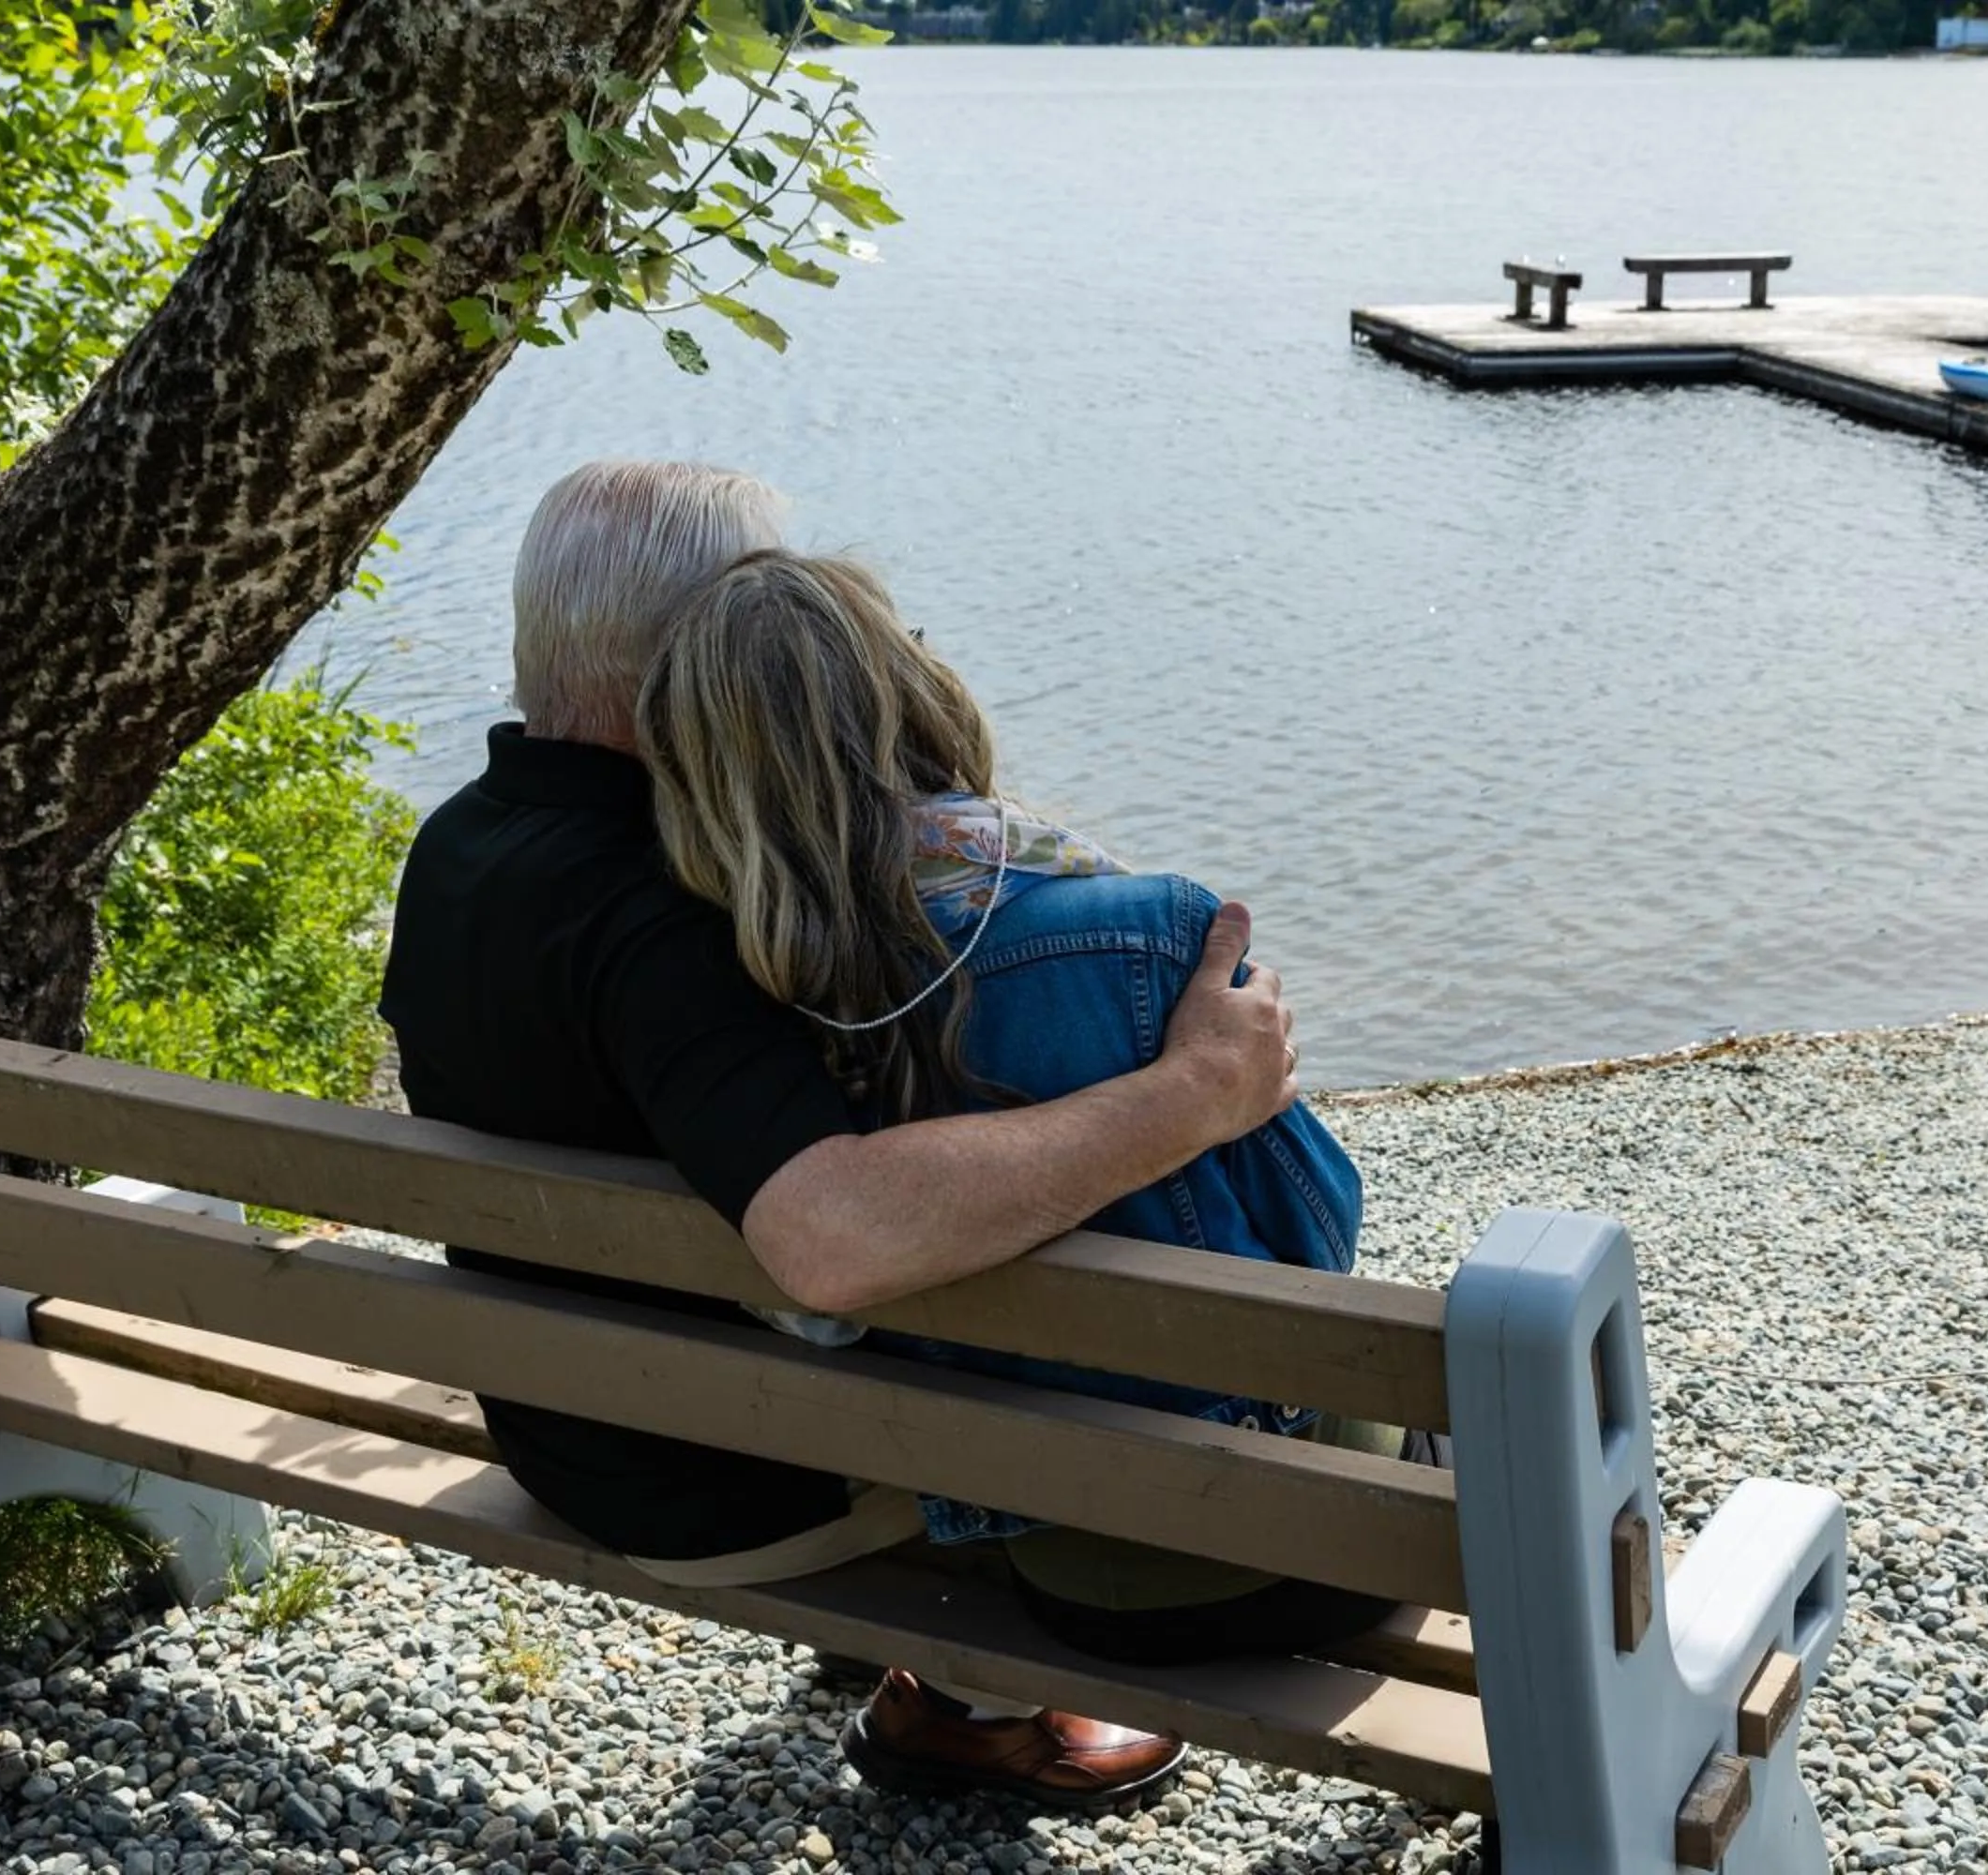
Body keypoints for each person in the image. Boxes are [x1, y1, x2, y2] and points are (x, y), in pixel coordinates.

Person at [378, 461, 1298, 1808]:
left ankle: (956, 1686)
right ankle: (971, 1702)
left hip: (570, 1422)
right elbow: (830, 1240)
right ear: (719, 653)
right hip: (727, 1481)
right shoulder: (672, 911)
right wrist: (1193, 1097)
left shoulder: (466, 839)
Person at [630, 548, 1445, 1725]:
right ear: (909, 689)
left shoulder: (727, 1004)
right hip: (1276, 1559)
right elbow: (1325, 1226)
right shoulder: (1151, 938)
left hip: (1037, 1560)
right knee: (1506, 1419)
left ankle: (952, 1722)